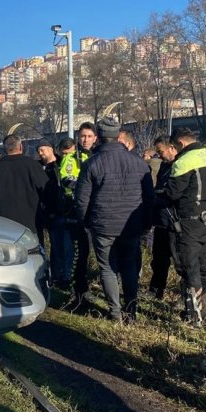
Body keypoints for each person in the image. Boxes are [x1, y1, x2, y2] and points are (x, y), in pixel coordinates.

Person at [74, 118, 154, 322]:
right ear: (118, 136)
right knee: (129, 266)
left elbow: (82, 200)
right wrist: (146, 222)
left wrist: (85, 222)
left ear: (98, 137)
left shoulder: (91, 164)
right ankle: (131, 311)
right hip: (131, 225)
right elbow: (148, 197)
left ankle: (115, 313)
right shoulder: (138, 163)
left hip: (103, 224)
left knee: (107, 268)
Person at [165, 127, 206, 326]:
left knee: (189, 266)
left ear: (180, 143)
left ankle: (194, 315)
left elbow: (172, 194)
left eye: (174, 147)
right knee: (203, 264)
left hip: (187, 220)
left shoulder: (183, 162)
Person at [60, 122, 97, 303]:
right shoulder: (72, 158)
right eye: (83, 136)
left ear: (95, 138)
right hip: (76, 212)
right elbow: (66, 180)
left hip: (97, 211)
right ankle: (79, 290)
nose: (86, 140)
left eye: (89, 136)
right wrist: (86, 187)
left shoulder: (98, 156)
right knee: (81, 252)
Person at [0, 134, 48, 234]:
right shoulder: (33, 165)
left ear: (5, 149)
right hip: (32, 222)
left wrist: (0, 198)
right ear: (21, 146)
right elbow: (47, 190)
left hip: (6, 225)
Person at [146, 136, 181, 300]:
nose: (159, 156)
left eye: (161, 152)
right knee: (159, 259)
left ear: (172, 148)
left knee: (180, 261)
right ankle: (155, 289)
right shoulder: (164, 166)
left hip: (175, 221)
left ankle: (186, 298)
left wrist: (157, 196)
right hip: (161, 219)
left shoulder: (180, 166)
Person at [37, 139, 72, 288]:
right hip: (45, 212)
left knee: (61, 246)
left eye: (42, 150)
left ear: (50, 149)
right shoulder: (38, 166)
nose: (40, 153)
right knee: (51, 245)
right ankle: (53, 275)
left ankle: (62, 276)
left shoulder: (60, 164)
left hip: (60, 212)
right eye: (38, 151)